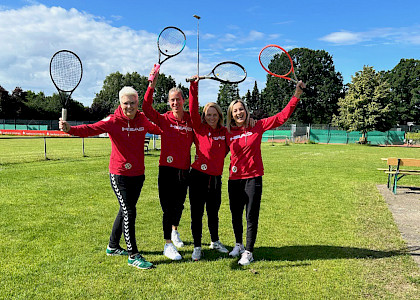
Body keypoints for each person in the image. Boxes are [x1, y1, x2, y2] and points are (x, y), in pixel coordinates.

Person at [59, 86, 161, 270]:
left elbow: (159, 129)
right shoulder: (113, 120)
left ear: (138, 103)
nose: (129, 106)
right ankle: (133, 255)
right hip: (119, 174)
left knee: (125, 211)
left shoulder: (142, 119)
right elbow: (90, 128)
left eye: (132, 103)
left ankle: (112, 246)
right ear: (120, 103)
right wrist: (69, 129)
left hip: (138, 174)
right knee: (129, 211)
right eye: (125, 103)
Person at [226, 81, 305, 266]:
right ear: (231, 114)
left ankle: (249, 252)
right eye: (235, 111)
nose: (238, 113)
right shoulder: (228, 132)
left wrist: (297, 95)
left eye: (241, 109)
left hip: (253, 178)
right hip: (234, 179)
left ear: (246, 110)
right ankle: (238, 244)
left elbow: (281, 117)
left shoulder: (258, 125)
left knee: (251, 215)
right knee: (235, 214)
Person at [142, 67, 193, 261]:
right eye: (172, 100)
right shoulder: (164, 119)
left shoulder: (190, 119)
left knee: (179, 205)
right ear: (169, 102)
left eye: (178, 99)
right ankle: (167, 244)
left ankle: (174, 231)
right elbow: (146, 109)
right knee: (167, 207)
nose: (175, 102)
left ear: (183, 100)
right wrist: (151, 86)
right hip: (166, 170)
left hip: (184, 170)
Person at [188, 77, 229, 261]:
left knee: (213, 212)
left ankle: (215, 241)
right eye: (208, 114)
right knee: (197, 213)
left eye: (215, 114)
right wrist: (194, 86)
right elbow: (192, 108)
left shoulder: (224, 132)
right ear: (204, 116)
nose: (211, 117)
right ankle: (197, 246)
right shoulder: (199, 128)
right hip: (198, 177)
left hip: (216, 178)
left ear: (219, 116)